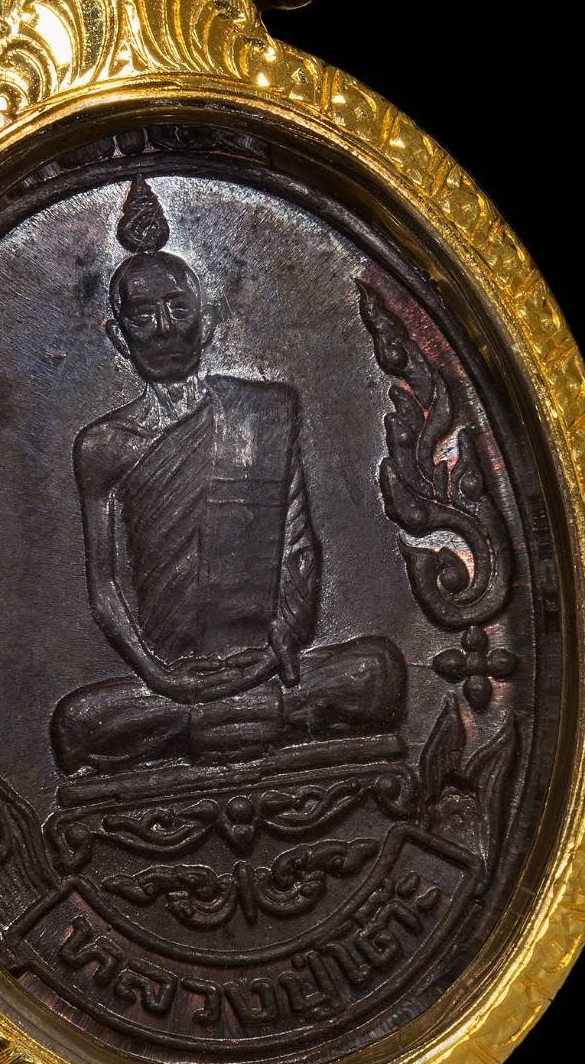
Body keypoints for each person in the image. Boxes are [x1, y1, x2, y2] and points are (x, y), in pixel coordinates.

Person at [52, 177, 404, 774]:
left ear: (207, 320)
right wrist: (161, 677)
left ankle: (221, 719)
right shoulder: (104, 446)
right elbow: (105, 589)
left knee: (379, 673)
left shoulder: (266, 411)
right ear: (118, 334)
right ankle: (249, 716)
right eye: (144, 315)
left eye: (178, 309)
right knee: (77, 724)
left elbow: (299, 550)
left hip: (270, 662)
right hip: (170, 680)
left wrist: (278, 645)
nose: (165, 327)